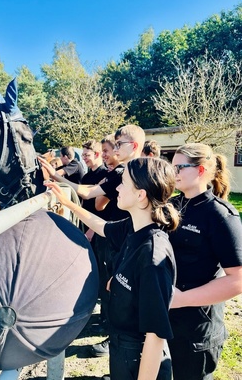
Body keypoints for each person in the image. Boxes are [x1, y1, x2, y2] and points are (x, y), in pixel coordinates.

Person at [45, 157, 180, 380]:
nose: (117, 187)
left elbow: (155, 336)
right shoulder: (133, 227)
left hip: (140, 358)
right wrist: (68, 203)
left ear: (140, 195)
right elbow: (102, 227)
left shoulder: (152, 253)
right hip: (122, 348)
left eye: (123, 182)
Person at [168, 143, 242, 380]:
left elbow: (238, 280)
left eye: (180, 167)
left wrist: (181, 299)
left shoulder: (220, 216)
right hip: (167, 316)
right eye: (172, 167)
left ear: (200, 171)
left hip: (197, 326)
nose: (174, 172)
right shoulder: (173, 205)